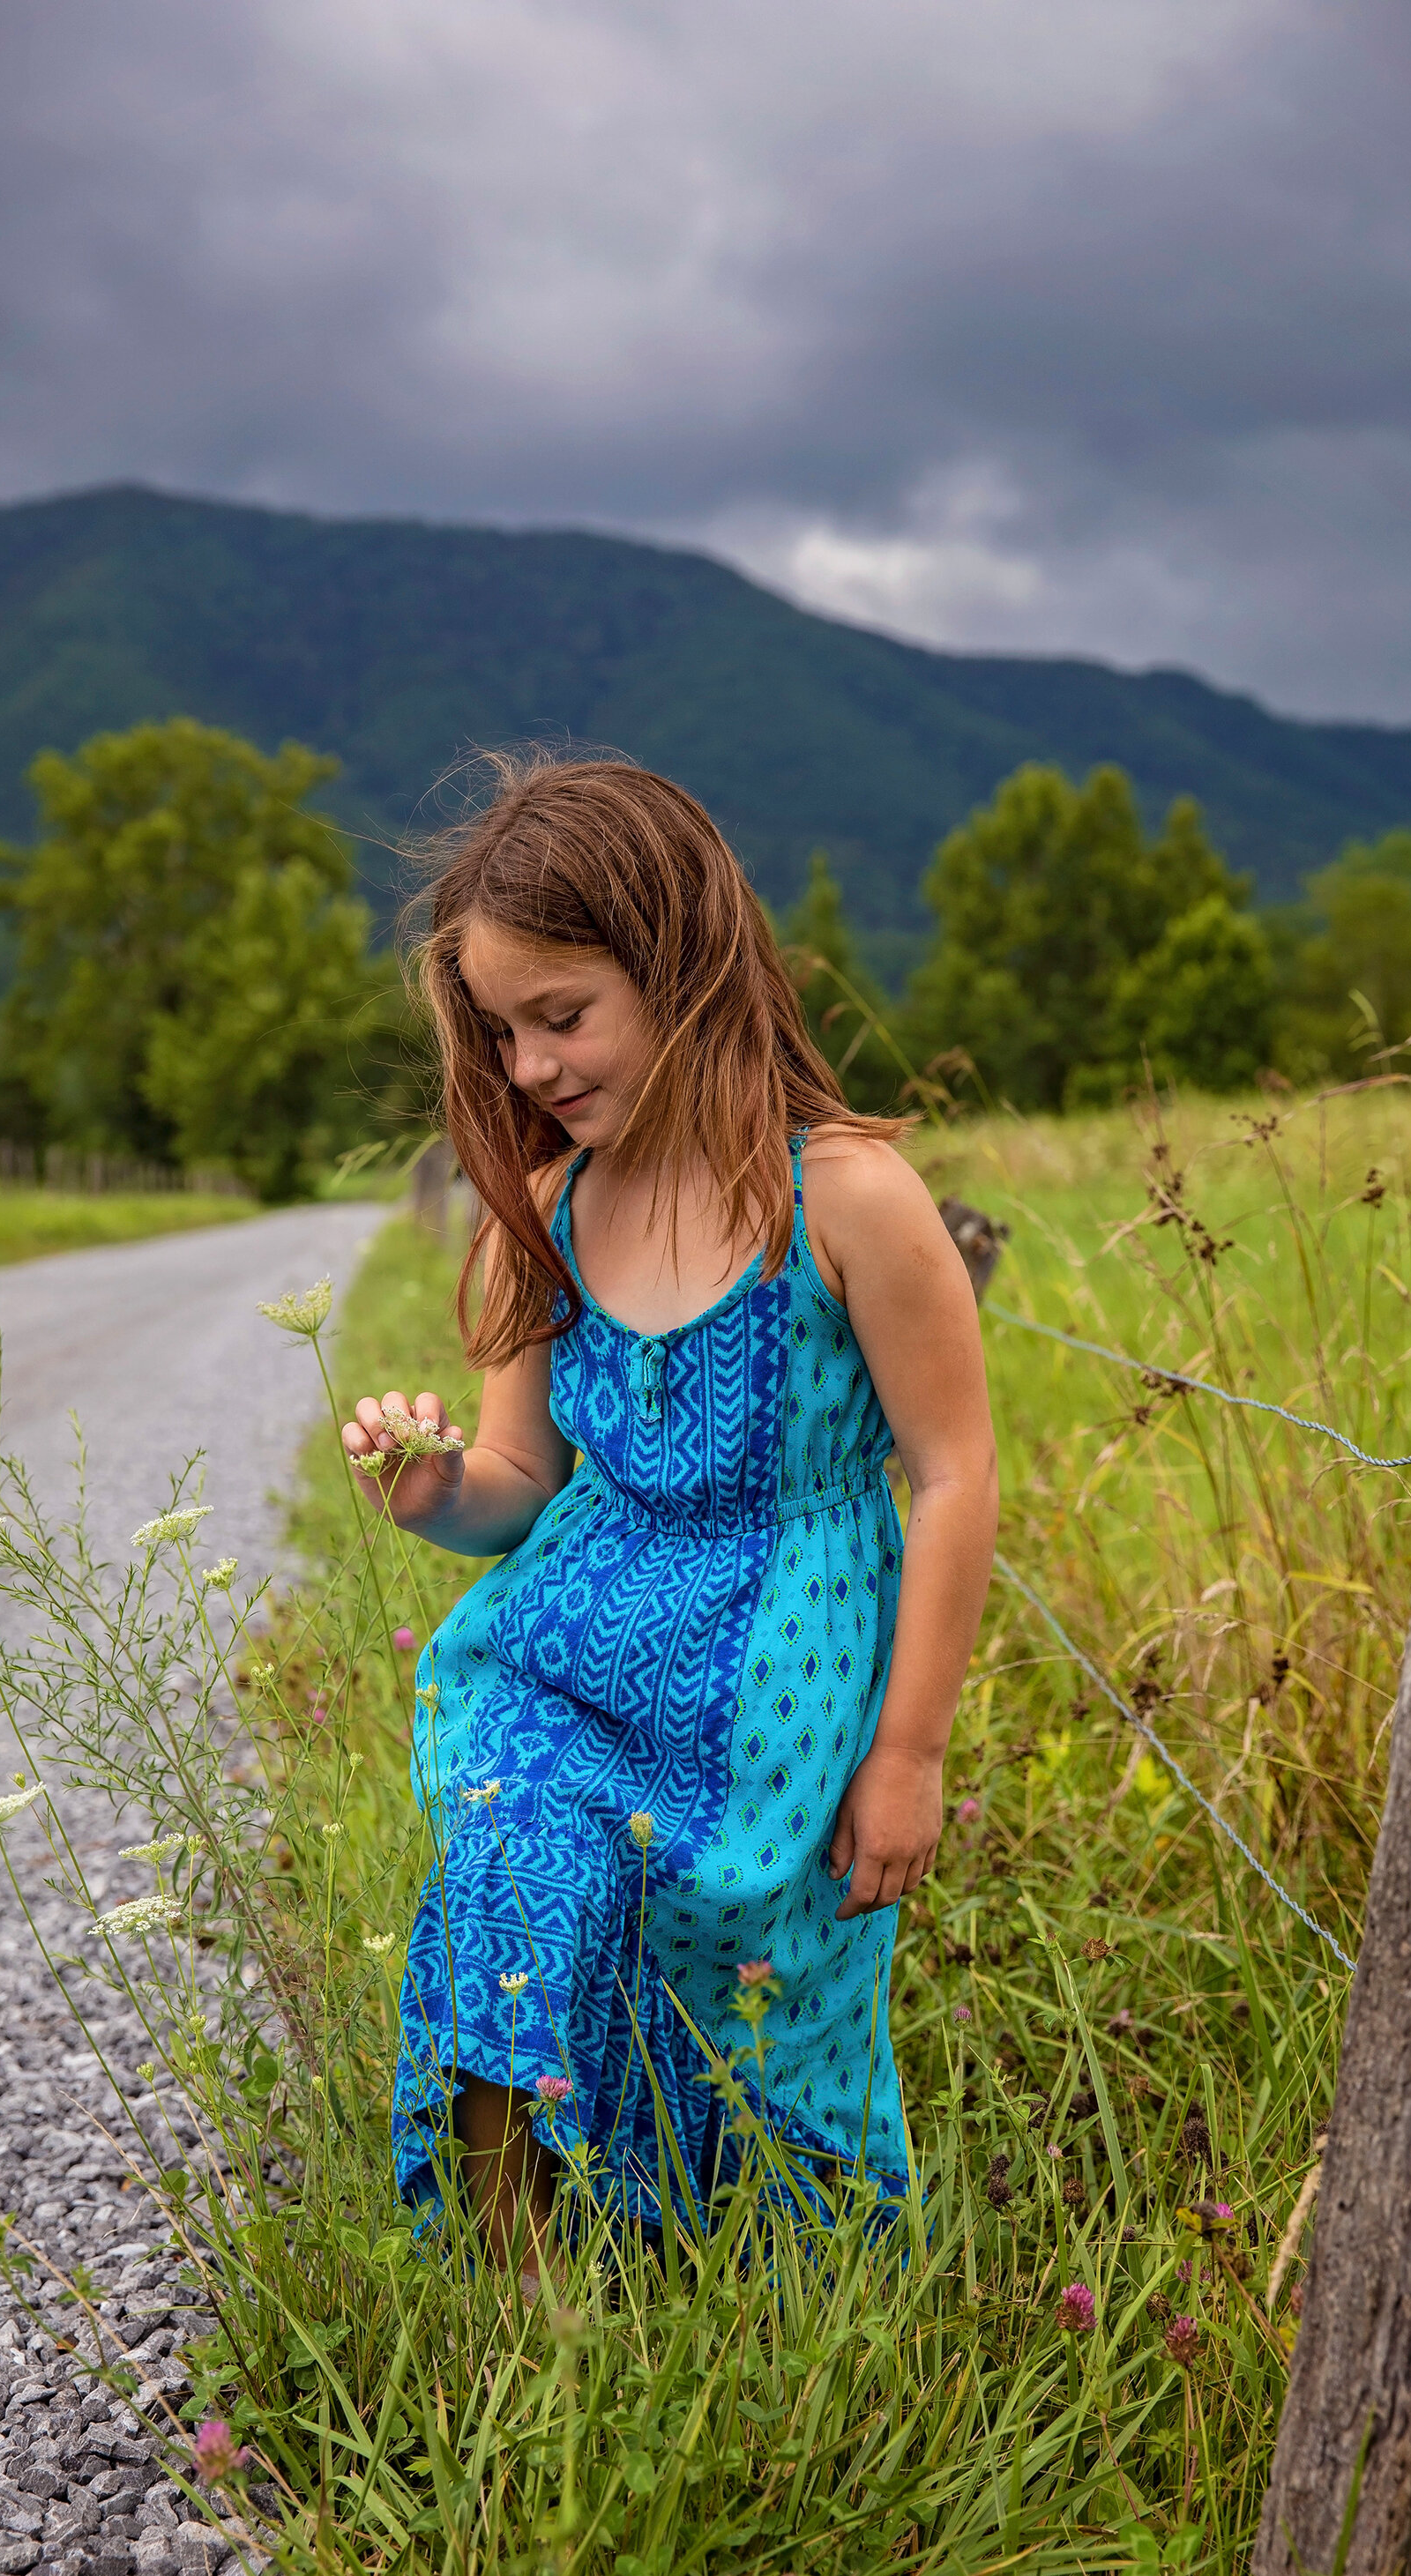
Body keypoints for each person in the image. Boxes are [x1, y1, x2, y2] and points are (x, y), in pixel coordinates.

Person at [342, 756, 997, 2262]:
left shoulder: (846, 1199)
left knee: (762, 1988)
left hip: (786, 1686)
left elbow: (953, 1474)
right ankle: (518, 2303)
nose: (528, 1069)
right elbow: (515, 1492)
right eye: (500, 1034)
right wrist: (431, 1491)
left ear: (683, 965)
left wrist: (908, 1752)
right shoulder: (547, 1211)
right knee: (516, 1877)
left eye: (560, 1018)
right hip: (564, 1669)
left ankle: (734, 2260)